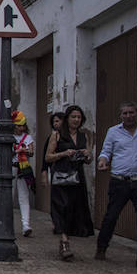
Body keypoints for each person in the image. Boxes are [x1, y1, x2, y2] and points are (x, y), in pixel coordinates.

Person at [95, 101, 137, 269]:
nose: (128, 116)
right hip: (119, 181)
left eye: (131, 113)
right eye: (125, 113)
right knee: (111, 216)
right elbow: (106, 151)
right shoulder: (113, 132)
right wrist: (102, 161)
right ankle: (102, 247)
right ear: (120, 115)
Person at [44, 103, 94, 261]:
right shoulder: (57, 135)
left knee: (74, 208)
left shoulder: (83, 136)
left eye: (79, 117)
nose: (76, 120)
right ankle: (64, 242)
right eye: (73, 117)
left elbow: (88, 160)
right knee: (61, 207)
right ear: (67, 118)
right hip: (61, 176)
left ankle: (67, 239)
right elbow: (48, 157)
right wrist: (64, 153)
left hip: (77, 177)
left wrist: (87, 154)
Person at [12, 111, 36, 237]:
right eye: (18, 125)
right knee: (7, 195)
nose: (20, 128)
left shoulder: (28, 138)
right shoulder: (8, 136)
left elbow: (31, 151)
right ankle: (6, 222)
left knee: (24, 196)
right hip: (11, 168)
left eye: (22, 125)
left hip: (23, 168)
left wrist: (23, 150)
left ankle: (25, 224)